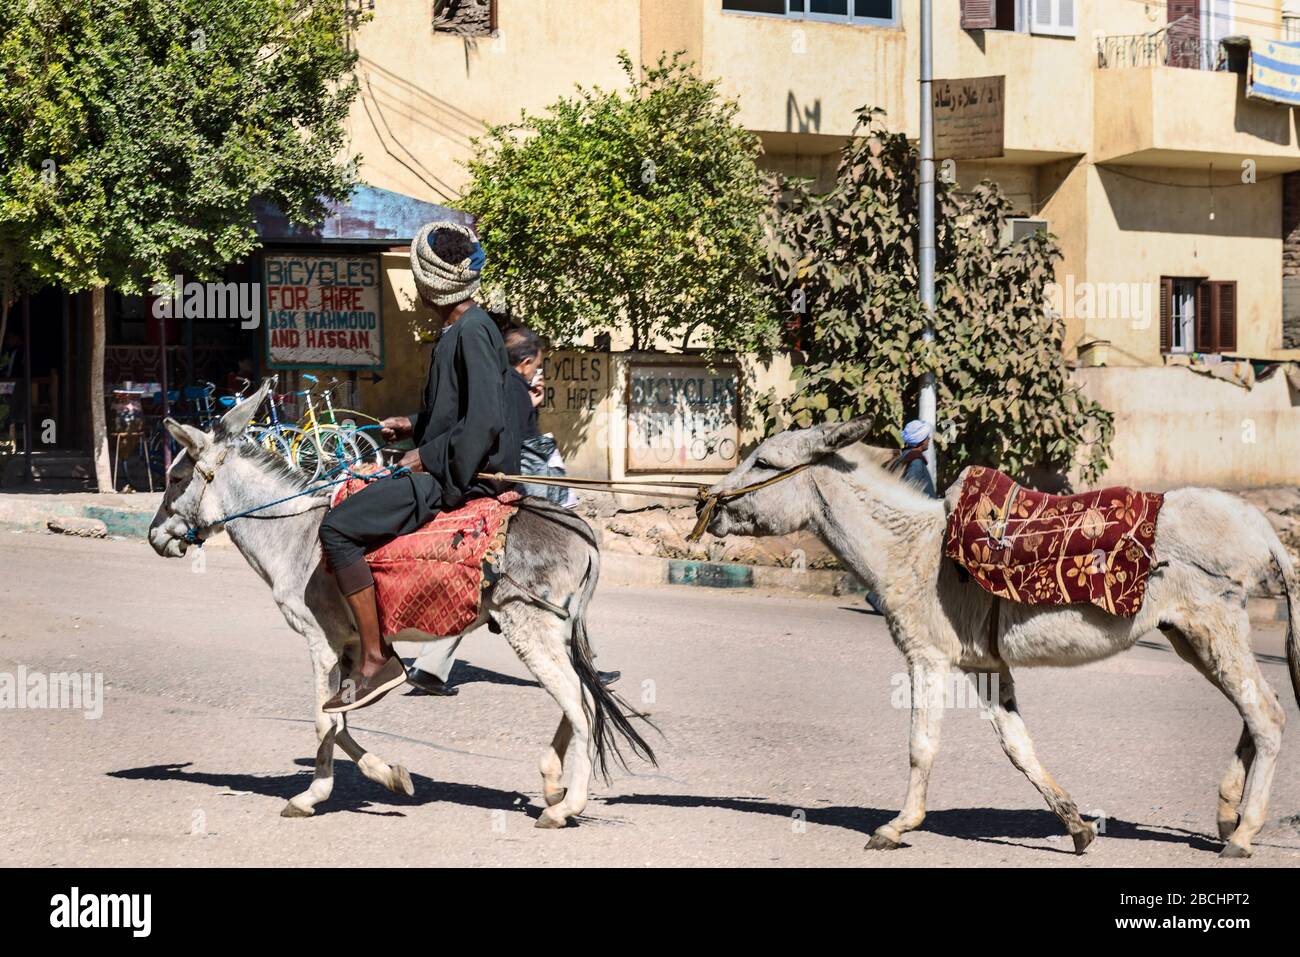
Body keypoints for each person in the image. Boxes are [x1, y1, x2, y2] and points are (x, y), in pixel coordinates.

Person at [317, 221, 519, 713]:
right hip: (447, 463)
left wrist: (426, 459)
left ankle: (374, 658)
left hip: (456, 478)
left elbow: (486, 420)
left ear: (433, 282)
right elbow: (458, 411)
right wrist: (412, 423)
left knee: (337, 528)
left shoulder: (471, 332)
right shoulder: (465, 327)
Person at [405, 322, 620, 694]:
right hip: (508, 501)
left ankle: (430, 666)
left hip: (484, 497)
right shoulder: (516, 392)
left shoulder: (496, 386)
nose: (537, 372)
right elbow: (516, 450)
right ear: (524, 363)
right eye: (536, 366)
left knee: (474, 587)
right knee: (552, 591)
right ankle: (581, 668)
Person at [865, 419, 938, 614]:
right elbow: (910, 493)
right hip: (917, 524)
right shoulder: (914, 462)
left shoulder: (907, 458)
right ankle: (879, 599)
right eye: (926, 438)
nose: (929, 440)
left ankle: (882, 598)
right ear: (921, 441)